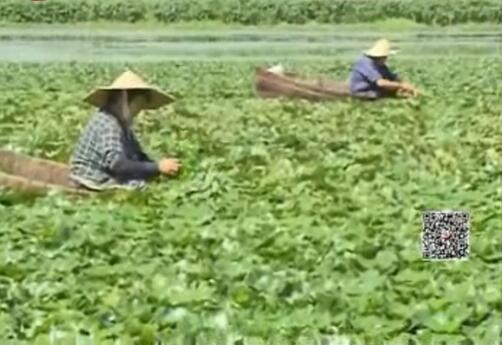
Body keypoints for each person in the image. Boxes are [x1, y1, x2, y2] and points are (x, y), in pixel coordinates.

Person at [69, 70, 181, 191]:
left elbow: (138, 155)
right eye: (138, 105)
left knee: (147, 179)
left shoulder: (122, 123)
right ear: (123, 99)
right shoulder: (108, 123)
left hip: (104, 174)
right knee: (140, 187)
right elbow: (118, 165)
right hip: (90, 178)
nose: (138, 111)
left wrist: (157, 168)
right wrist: (157, 167)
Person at [349, 38, 420, 100]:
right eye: (386, 57)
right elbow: (381, 83)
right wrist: (401, 85)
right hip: (361, 92)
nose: (386, 59)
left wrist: (407, 84)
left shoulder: (380, 64)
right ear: (381, 56)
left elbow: (393, 77)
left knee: (395, 91)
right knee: (384, 95)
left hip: (374, 89)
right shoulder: (364, 63)